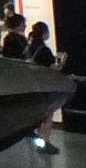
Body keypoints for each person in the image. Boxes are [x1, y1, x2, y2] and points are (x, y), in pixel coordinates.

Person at [25, 21, 62, 154]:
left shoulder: (29, 48)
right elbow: (53, 68)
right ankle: (44, 143)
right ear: (45, 33)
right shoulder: (44, 49)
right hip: (44, 86)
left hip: (32, 85)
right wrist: (62, 62)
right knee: (47, 117)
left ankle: (39, 142)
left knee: (40, 117)